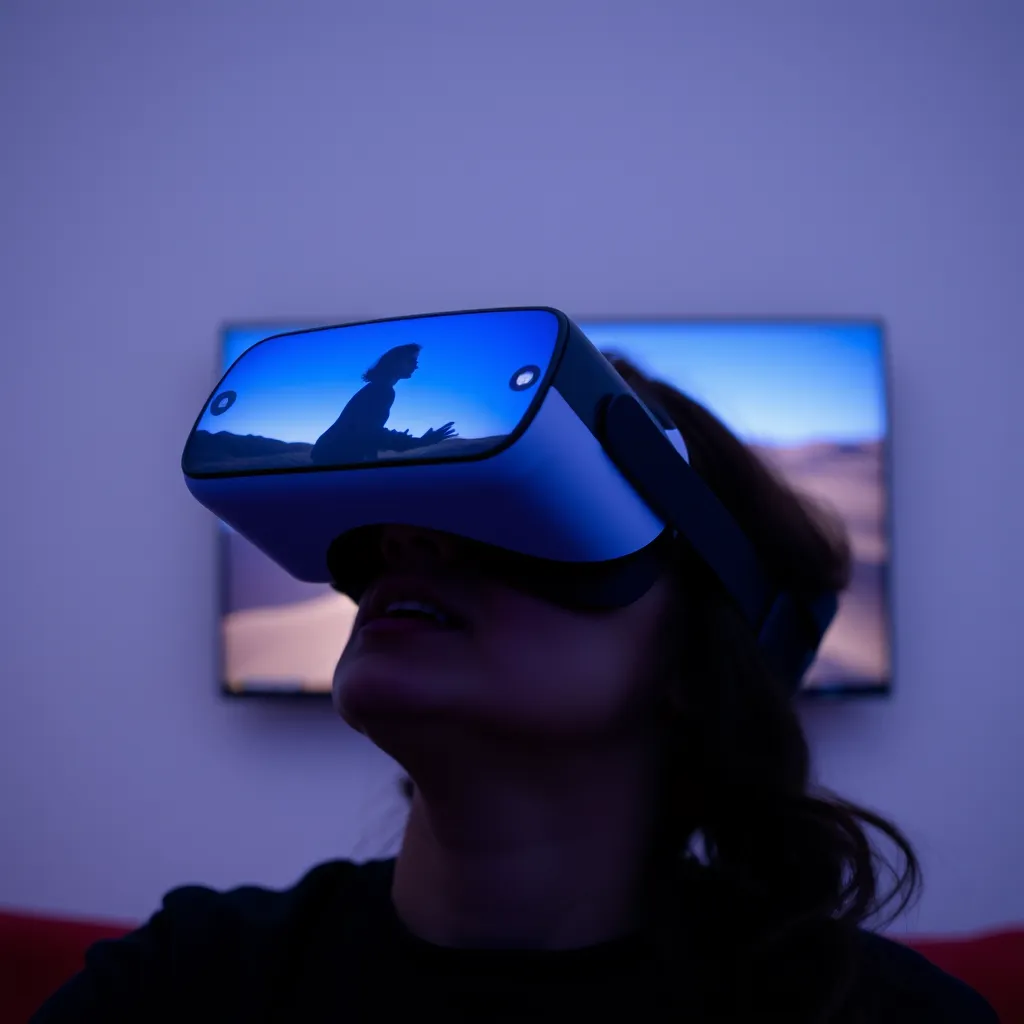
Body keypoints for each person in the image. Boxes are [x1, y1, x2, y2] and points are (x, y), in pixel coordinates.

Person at [33, 355, 996, 1023]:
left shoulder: (882, 1022)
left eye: (533, 509)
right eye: (397, 508)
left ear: (705, 653)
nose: (407, 538)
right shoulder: (189, 984)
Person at [310, 343, 456, 466]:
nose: (416, 366)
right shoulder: (382, 390)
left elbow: (368, 430)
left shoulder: (378, 389)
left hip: (333, 452)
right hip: (336, 456)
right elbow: (369, 433)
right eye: (411, 361)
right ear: (395, 362)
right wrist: (419, 441)